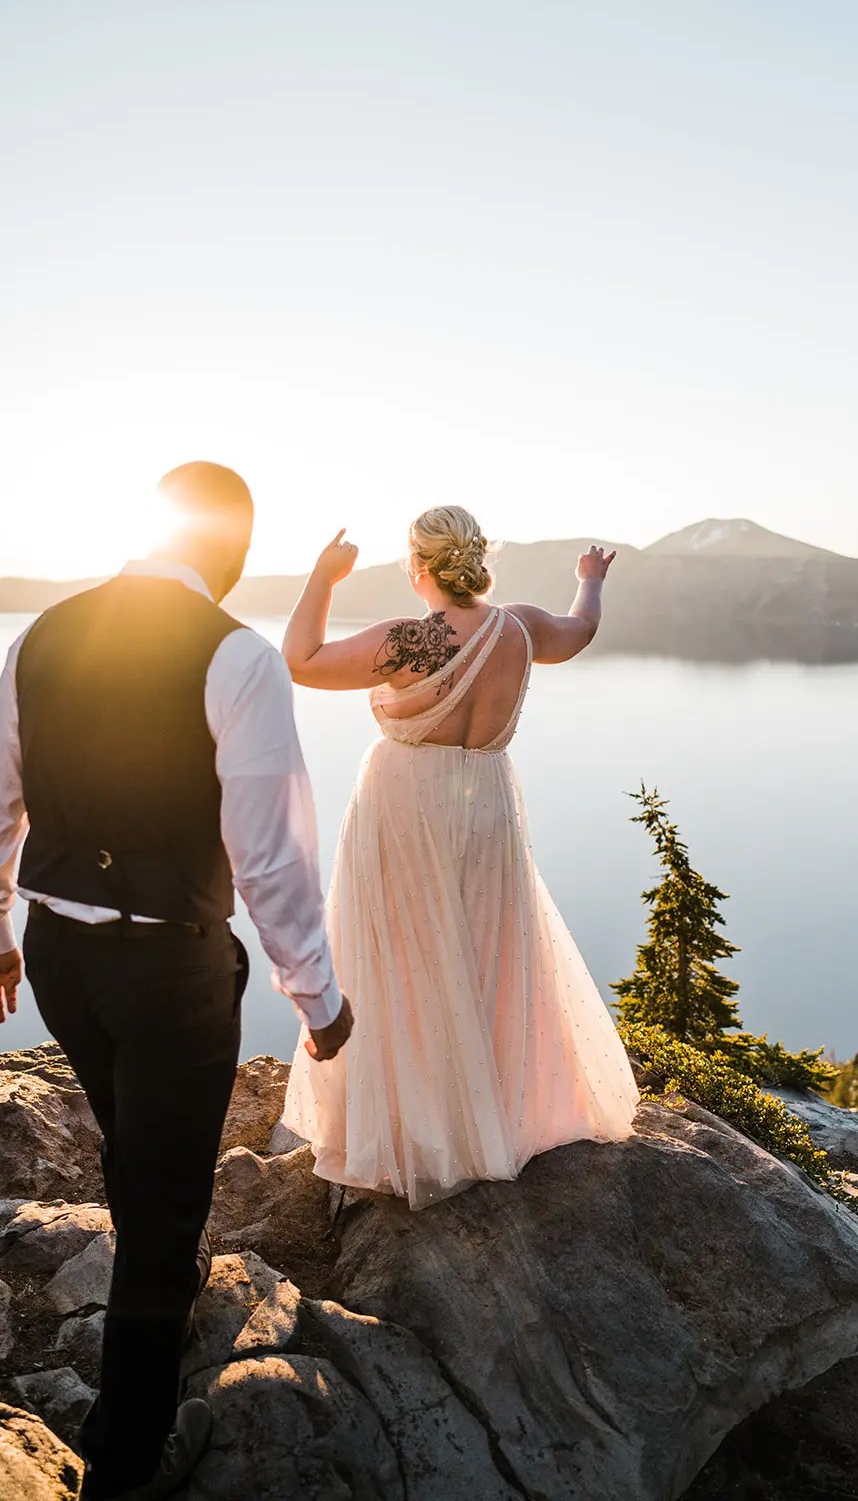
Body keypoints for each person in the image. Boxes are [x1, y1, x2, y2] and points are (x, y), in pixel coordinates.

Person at [0, 462, 353, 1501]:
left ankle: (152, 1295)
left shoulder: (44, 634)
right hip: (170, 964)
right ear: (233, 551)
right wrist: (318, 998)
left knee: (141, 1153)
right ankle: (124, 1459)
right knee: (169, 1203)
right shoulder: (237, 657)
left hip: (58, 956)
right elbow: (268, 857)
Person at [280, 505, 639, 1211]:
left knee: (400, 955)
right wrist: (589, 579)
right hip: (485, 801)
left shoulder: (409, 640)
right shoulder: (521, 626)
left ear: (418, 566)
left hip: (405, 803)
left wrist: (320, 579)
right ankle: (491, 1114)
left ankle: (413, 1126)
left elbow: (300, 662)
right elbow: (581, 631)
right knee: (487, 947)